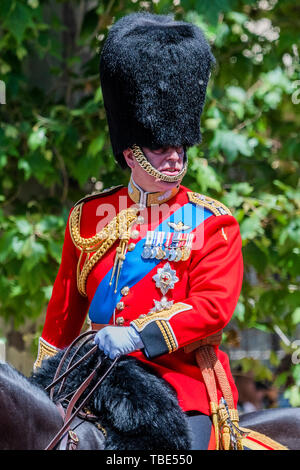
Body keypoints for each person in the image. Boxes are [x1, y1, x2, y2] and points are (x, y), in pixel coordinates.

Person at [35, 12, 244, 450]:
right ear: (131, 153)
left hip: (179, 384)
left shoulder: (211, 222)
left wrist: (137, 335)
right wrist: (43, 382)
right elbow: (62, 315)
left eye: (179, 147)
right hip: (93, 379)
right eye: (160, 147)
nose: (173, 159)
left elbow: (212, 308)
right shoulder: (89, 216)